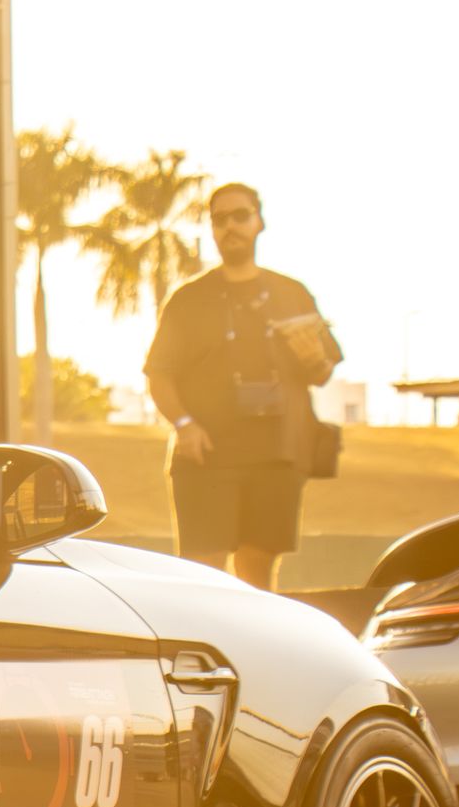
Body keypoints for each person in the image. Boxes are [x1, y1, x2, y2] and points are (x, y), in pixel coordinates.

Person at [144, 182, 339, 590]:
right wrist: (183, 424)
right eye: (220, 219)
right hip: (206, 455)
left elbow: (322, 372)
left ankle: (255, 653)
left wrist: (312, 359)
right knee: (205, 573)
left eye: (240, 216)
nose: (230, 226)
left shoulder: (292, 293)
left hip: (277, 453)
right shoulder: (189, 299)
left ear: (259, 222)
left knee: (257, 572)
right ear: (212, 229)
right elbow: (158, 373)